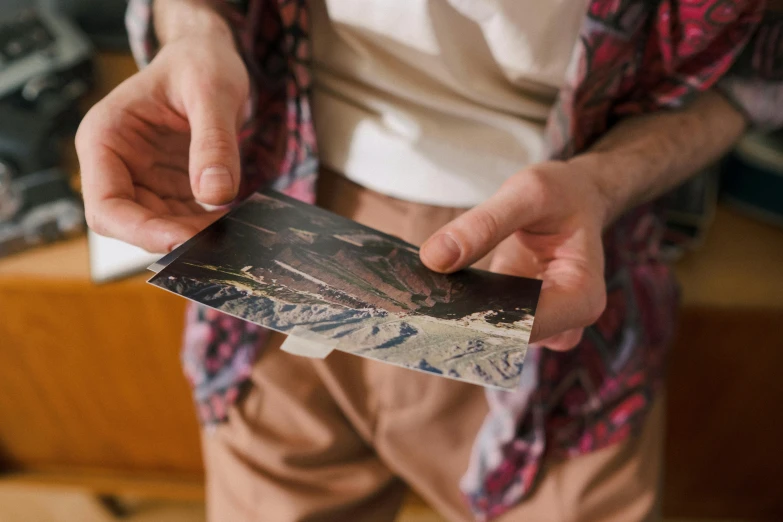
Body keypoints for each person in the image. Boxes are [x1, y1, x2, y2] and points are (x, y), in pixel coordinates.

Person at [75, 0, 783, 520]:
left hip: (556, 255)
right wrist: (194, 31)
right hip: (269, 198)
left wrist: (606, 182)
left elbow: (760, 66)